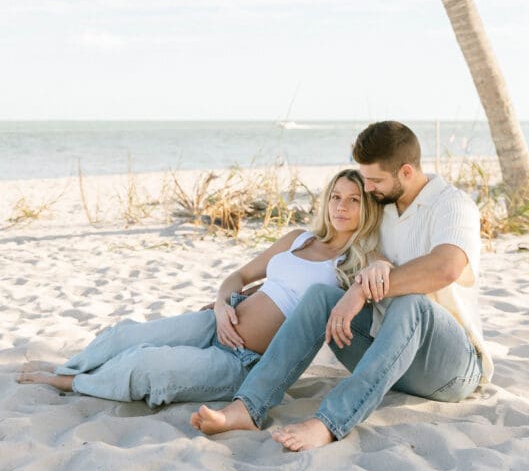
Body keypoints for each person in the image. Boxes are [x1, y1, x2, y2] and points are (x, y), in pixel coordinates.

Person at [192, 120, 494, 449]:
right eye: (365, 179)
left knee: (412, 303)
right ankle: (247, 408)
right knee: (321, 296)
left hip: (448, 368)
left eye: (375, 180)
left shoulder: (452, 205)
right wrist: (251, 293)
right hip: (386, 357)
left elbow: (445, 267)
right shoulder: (381, 208)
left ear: (406, 172)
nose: (367, 189)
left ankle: (328, 422)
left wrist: (361, 290)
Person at [17, 169, 381, 407]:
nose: (342, 206)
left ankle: (71, 383)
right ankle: (72, 366)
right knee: (121, 337)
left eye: (353, 199)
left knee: (146, 366)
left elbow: (383, 272)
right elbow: (237, 277)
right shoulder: (296, 238)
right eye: (336, 196)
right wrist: (223, 307)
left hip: (243, 361)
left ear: (366, 207)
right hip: (217, 321)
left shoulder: (356, 260)